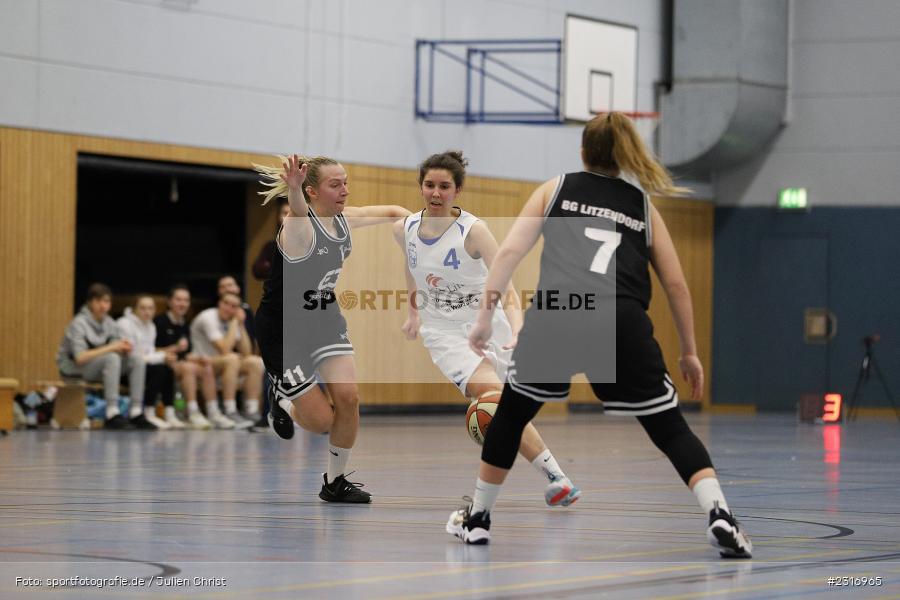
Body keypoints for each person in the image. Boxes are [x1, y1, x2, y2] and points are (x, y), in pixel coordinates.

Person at [446, 112, 752, 558]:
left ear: (584, 151)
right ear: (623, 155)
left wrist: (483, 319)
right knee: (668, 426)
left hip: (558, 315)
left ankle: (478, 520)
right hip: (620, 320)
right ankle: (720, 514)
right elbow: (677, 285)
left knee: (511, 416)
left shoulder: (556, 188)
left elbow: (510, 252)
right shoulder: (642, 206)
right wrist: (689, 352)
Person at [394, 150, 580, 507]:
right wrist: (414, 312)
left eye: (444, 186)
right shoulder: (405, 229)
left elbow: (505, 284)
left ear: (457, 190)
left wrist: (518, 327)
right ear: (420, 187)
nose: (435, 193)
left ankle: (550, 479)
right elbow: (411, 265)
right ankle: (556, 478)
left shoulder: (474, 231)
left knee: (511, 404)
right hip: (445, 335)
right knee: (494, 397)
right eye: (429, 185)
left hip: (487, 323)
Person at [254, 154, 410, 503]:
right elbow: (296, 211)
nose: (345, 190)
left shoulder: (344, 219)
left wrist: (421, 227)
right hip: (284, 330)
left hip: (323, 317)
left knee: (349, 398)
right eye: (335, 184)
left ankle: (335, 482)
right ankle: (281, 399)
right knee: (321, 420)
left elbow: (393, 212)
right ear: (312, 191)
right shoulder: (297, 227)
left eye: (346, 182)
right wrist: (293, 190)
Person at [56, 283, 141, 430]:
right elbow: (80, 357)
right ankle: (112, 412)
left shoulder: (110, 323)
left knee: (136, 360)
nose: (103, 306)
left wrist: (123, 349)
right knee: (111, 358)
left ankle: (136, 411)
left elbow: (115, 347)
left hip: (99, 367)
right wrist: (112, 347)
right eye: (99, 301)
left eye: (107, 301)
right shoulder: (78, 323)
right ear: (90, 302)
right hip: (72, 368)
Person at [190, 293, 265, 429]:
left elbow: (247, 352)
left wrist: (241, 325)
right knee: (232, 358)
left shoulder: (232, 322)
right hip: (202, 363)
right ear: (219, 303)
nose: (228, 308)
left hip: (223, 363)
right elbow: (224, 349)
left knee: (255, 362)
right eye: (226, 303)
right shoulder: (208, 317)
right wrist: (235, 322)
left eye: (234, 306)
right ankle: (230, 410)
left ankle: (251, 410)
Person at [153, 284, 217, 430]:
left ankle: (214, 412)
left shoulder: (185, 325)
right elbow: (150, 349)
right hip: (163, 363)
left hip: (181, 363)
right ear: (169, 302)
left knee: (206, 366)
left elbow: (186, 354)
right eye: (178, 299)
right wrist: (174, 348)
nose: (182, 304)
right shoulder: (159, 322)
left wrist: (198, 358)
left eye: (186, 300)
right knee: (188, 368)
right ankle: (192, 412)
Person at [116, 295, 174, 430]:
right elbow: (133, 355)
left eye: (150, 308)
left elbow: (149, 353)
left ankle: (168, 413)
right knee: (159, 368)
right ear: (135, 309)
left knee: (167, 368)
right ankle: (146, 412)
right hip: (125, 370)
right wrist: (160, 356)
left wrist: (163, 356)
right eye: (143, 308)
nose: (147, 312)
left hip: (143, 366)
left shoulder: (151, 326)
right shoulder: (124, 324)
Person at [252, 198, 291, 281]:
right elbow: (258, 270)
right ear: (279, 217)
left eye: (293, 214)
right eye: (285, 213)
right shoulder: (271, 246)